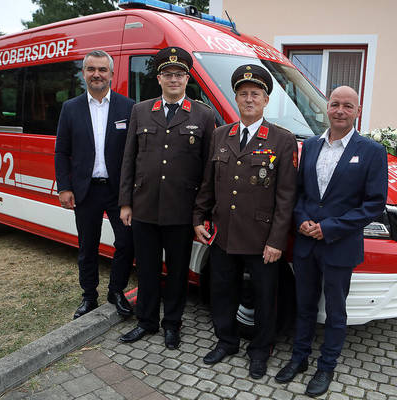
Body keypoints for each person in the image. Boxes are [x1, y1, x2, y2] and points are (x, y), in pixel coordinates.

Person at [276, 86, 387, 397]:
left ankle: (326, 366)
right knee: (304, 306)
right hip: (306, 243)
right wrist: (301, 219)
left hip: (339, 245)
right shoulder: (311, 145)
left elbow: (374, 204)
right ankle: (299, 358)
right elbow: (299, 192)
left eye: (347, 106)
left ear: (358, 111)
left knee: (336, 311)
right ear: (327, 108)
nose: (340, 110)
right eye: (335, 104)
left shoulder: (372, 151)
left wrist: (329, 227)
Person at [193, 64, 297, 379]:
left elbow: (286, 197)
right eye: (243, 94)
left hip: (261, 239)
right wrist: (198, 217)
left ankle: (260, 351)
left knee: (265, 298)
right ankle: (226, 341)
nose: (249, 99)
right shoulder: (220, 135)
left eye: (255, 94)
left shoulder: (282, 140)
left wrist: (277, 241)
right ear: (236, 99)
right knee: (222, 292)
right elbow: (208, 183)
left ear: (266, 100)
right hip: (224, 234)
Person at [118, 47, 214, 349]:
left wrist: (200, 213)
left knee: (176, 273)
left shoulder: (203, 115)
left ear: (187, 79)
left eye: (180, 74)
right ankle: (146, 321)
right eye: (168, 74)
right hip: (144, 207)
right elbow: (129, 159)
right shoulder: (141, 110)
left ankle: (172, 324)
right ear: (159, 78)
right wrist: (126, 203)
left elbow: (208, 170)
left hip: (180, 211)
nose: (174, 79)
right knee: (147, 270)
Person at [55, 50, 136, 320]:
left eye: (102, 69)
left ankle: (116, 291)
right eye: (91, 69)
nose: (97, 74)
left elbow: (135, 152)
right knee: (87, 246)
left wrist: (132, 192)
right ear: (84, 73)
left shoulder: (129, 107)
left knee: (126, 242)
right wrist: (64, 187)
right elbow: (61, 151)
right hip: (85, 190)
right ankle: (89, 296)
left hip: (118, 191)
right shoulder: (70, 108)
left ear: (112, 74)